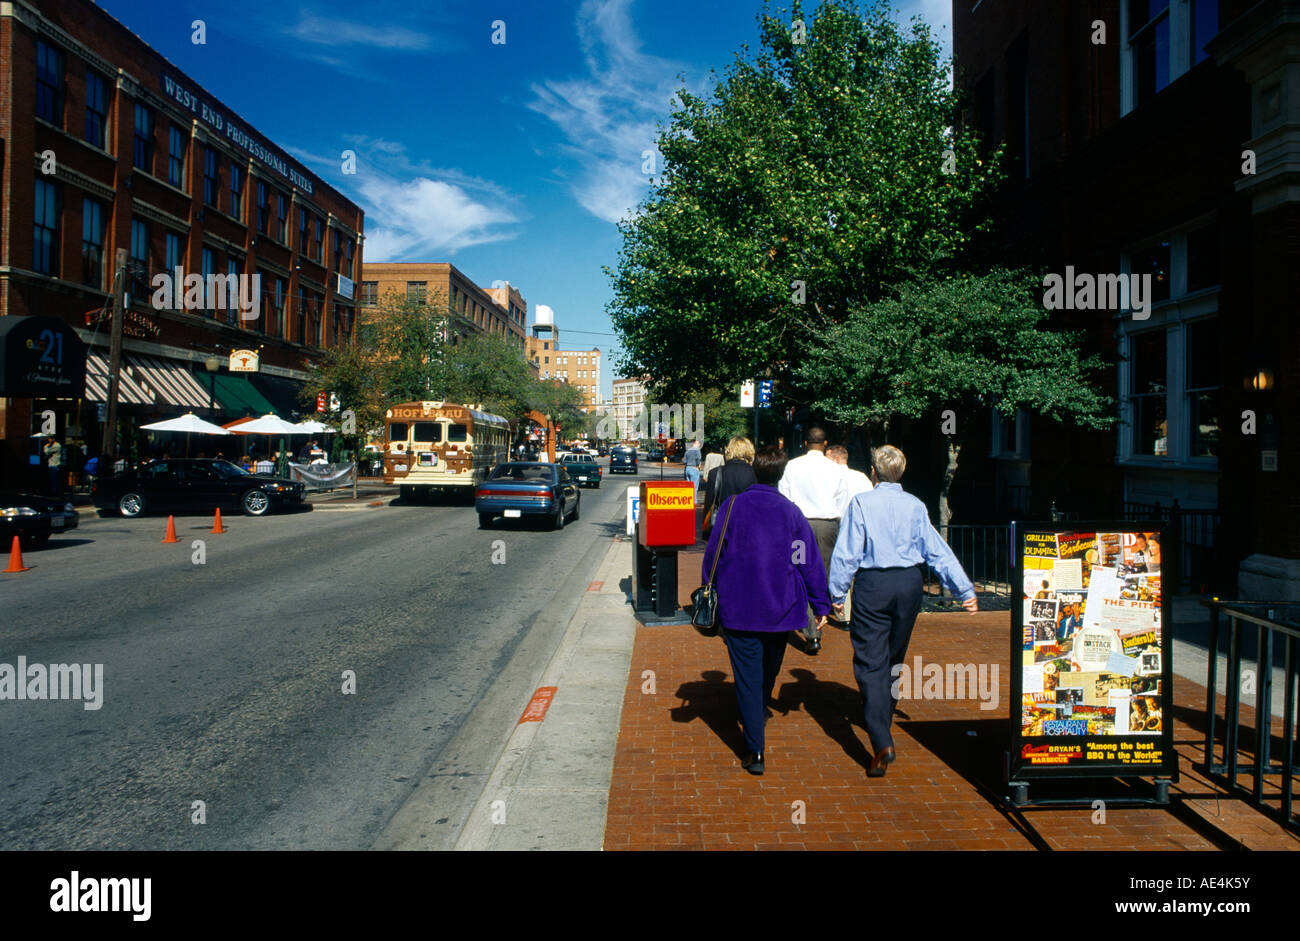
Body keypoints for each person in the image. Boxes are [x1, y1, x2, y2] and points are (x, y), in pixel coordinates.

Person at [827, 444, 978, 778]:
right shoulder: (915, 505)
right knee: (895, 656)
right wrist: (963, 588)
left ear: (874, 472)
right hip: (909, 584)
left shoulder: (862, 503)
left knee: (869, 660)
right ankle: (883, 716)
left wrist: (836, 591)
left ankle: (880, 737)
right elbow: (937, 550)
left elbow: (848, 551)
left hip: (873, 584)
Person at [702, 446, 831, 775]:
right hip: (781, 608)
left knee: (748, 676)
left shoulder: (732, 508)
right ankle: (756, 725)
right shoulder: (791, 513)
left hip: (739, 607)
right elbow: (805, 560)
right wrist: (820, 603)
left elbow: (714, 551)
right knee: (766, 674)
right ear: (781, 474)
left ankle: (755, 748)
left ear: (755, 472)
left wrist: (709, 586)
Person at [777, 426, 847, 655]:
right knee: (823, 573)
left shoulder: (793, 466)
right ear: (825, 444)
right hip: (827, 526)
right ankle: (821, 616)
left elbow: (784, 497)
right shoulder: (835, 469)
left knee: (800, 572)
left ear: (804, 443)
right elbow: (843, 501)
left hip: (800, 526)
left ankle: (811, 632)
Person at [825, 445, 873, 626]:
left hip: (839, 525)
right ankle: (860, 610)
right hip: (863, 527)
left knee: (841, 566)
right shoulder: (861, 477)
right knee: (859, 568)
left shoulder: (831, 478)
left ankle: (844, 613)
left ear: (836, 459)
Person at [701, 436, 756, 535]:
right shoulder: (756, 473)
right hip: (748, 529)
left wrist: (706, 533)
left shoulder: (715, 473)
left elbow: (709, 504)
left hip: (721, 530)